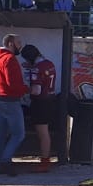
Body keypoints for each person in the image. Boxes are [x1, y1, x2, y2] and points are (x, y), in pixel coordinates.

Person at [0, 34, 28, 176]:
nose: (20, 46)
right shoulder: (10, 59)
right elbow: (13, 84)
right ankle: (5, 161)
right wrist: (27, 89)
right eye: (19, 42)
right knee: (18, 134)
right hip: (10, 100)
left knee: (1, 133)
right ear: (11, 44)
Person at [21, 44, 59, 173]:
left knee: (42, 133)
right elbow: (45, 73)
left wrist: (23, 90)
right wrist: (31, 67)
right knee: (45, 131)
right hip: (50, 99)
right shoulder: (49, 63)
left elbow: (36, 90)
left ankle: (45, 161)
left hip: (40, 102)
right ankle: (45, 159)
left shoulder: (36, 69)